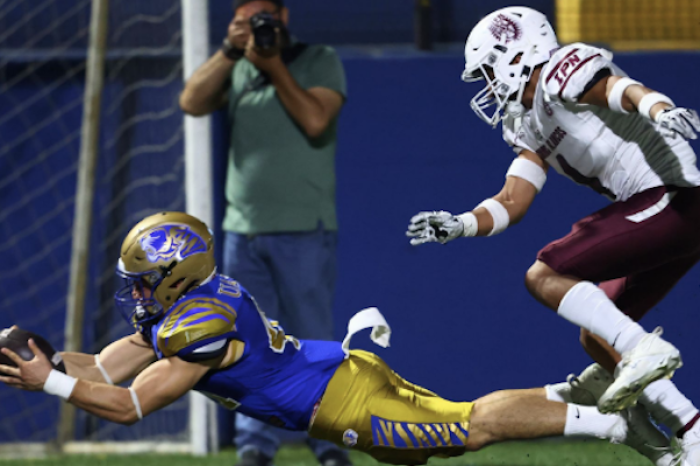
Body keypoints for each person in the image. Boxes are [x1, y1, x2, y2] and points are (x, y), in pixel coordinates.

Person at [0, 212, 665, 465]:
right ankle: (581, 391)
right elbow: (109, 370)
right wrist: (53, 361)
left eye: (146, 282)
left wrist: (49, 385)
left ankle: (614, 424)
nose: (138, 295)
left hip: (342, 403)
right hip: (337, 374)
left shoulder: (198, 327)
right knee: (426, 447)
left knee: (468, 429)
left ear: (179, 276)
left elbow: (129, 407)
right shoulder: (193, 306)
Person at [405, 6, 700, 466]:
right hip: (666, 214)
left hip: (674, 198)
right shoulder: (525, 120)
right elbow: (512, 201)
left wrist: (659, 107)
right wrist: (460, 223)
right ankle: (691, 431)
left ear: (515, 53)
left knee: (546, 274)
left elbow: (619, 90)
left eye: (487, 70)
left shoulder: (561, 71)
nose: (485, 84)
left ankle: (645, 349)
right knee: (597, 337)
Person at [179, 0, 347, 464]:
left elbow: (316, 120)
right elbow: (190, 102)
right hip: (241, 231)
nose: (259, 27)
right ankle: (255, 445)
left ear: (284, 16)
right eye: (247, 16)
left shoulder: (319, 60)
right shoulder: (235, 65)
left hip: (304, 229)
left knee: (312, 342)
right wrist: (228, 51)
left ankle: (328, 442)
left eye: (265, 17)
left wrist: (272, 66)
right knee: (244, 345)